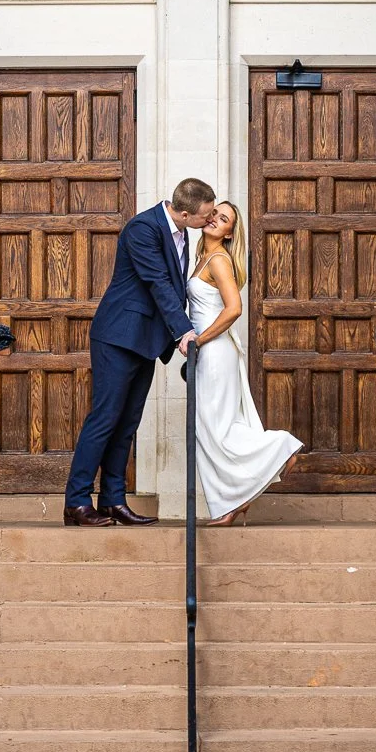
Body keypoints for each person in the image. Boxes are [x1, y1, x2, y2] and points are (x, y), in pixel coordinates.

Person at [64, 176, 217, 525]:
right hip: (118, 337)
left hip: (145, 342)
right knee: (104, 419)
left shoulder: (182, 232)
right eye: (204, 216)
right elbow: (157, 282)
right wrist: (184, 331)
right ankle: (76, 502)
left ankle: (113, 501)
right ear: (183, 212)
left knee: (127, 423)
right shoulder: (142, 229)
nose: (208, 221)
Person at [187, 199, 303, 525]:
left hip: (214, 351)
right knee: (212, 429)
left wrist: (199, 339)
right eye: (214, 214)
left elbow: (234, 309)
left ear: (228, 233)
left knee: (216, 429)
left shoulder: (219, 260)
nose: (215, 220)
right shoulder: (202, 257)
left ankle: (281, 447)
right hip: (211, 350)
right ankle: (234, 503)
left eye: (223, 219)